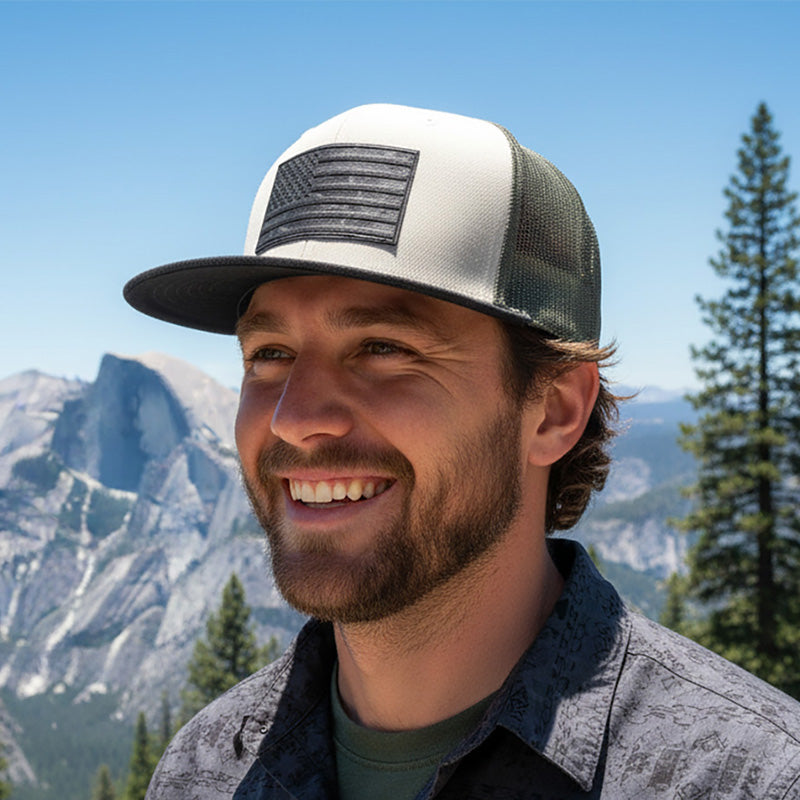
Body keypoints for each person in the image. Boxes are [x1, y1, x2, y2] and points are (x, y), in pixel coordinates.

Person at [124, 104, 800, 800]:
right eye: (269, 353)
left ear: (555, 409)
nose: (296, 419)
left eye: (383, 348)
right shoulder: (202, 772)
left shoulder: (751, 781)